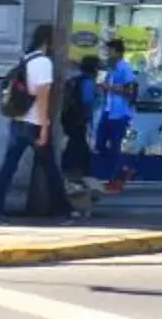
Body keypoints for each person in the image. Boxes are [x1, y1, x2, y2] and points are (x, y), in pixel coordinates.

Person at [0, 23, 67, 225]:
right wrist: (45, 127)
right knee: (50, 169)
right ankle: (63, 211)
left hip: (18, 120)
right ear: (49, 41)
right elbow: (43, 97)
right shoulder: (44, 63)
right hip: (34, 123)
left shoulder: (26, 58)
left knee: (8, 167)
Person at [96, 37, 141, 195]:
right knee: (99, 144)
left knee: (115, 147)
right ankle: (123, 168)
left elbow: (130, 91)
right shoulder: (110, 68)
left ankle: (115, 179)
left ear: (117, 52)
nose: (108, 54)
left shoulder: (125, 68)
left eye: (110, 51)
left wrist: (109, 87)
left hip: (120, 114)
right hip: (107, 112)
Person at [59, 55, 100, 208]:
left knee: (78, 151)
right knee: (80, 154)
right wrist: (98, 96)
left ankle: (83, 186)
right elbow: (88, 101)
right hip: (79, 121)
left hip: (69, 121)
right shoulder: (88, 82)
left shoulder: (75, 80)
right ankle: (81, 189)